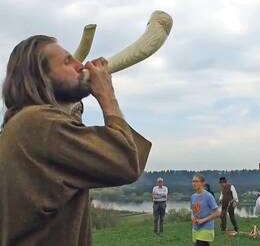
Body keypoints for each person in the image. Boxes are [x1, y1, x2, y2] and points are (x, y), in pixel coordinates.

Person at [0, 35, 152, 246]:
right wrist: (107, 95)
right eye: (66, 61)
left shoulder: (22, 125)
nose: (80, 65)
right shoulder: (37, 122)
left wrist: (71, 109)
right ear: (41, 77)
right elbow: (125, 161)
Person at [191, 175, 220, 246]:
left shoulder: (208, 196)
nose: (194, 183)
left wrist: (203, 220)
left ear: (202, 183)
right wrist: (192, 217)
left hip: (206, 227)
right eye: (193, 181)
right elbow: (193, 210)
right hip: (196, 227)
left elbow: (217, 213)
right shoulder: (193, 197)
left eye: (196, 181)